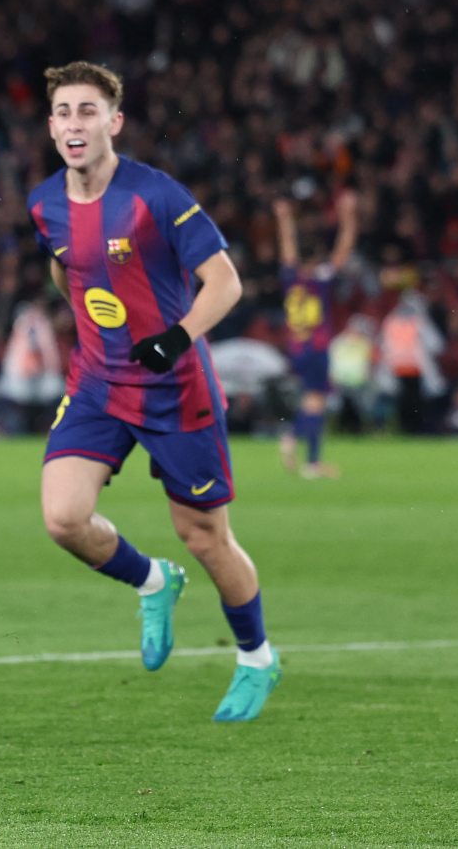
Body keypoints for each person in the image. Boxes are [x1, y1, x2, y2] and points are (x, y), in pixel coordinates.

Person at [26, 61, 280, 723]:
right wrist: (86, 319)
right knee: (63, 518)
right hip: (97, 385)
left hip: (174, 390)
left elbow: (225, 282)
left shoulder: (156, 196)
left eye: (87, 111)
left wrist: (177, 336)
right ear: (51, 125)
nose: (74, 124)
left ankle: (256, 656)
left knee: (204, 535)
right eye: (63, 112)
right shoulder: (44, 203)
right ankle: (152, 581)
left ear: (114, 122)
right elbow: (65, 270)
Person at [273, 189, 358, 477]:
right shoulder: (320, 281)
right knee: (316, 401)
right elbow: (344, 250)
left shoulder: (291, 279)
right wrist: (347, 216)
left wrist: (284, 218)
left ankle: (312, 461)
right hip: (317, 346)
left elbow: (287, 246)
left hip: (296, 346)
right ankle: (296, 441)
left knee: (314, 400)